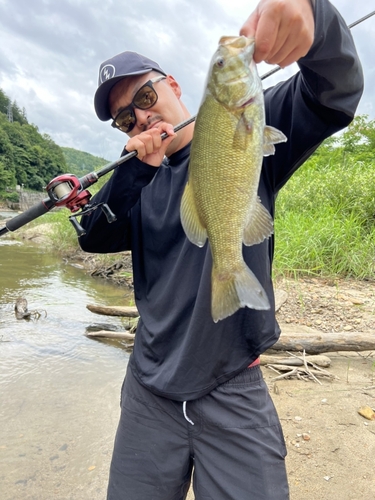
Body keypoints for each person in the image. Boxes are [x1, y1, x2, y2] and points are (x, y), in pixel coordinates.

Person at [79, 0, 363, 498]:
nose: (141, 116)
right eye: (125, 120)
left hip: (233, 383)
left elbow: (336, 93)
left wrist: (315, 16)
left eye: (145, 95)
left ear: (173, 85)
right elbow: (94, 235)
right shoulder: (136, 180)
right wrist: (134, 171)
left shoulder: (248, 122)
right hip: (149, 390)